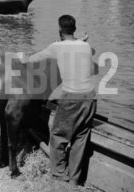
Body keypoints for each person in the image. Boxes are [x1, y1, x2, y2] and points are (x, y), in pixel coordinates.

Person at [22, 15, 98, 186]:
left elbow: (34, 58)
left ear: (59, 30)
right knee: (80, 139)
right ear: (75, 28)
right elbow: (75, 45)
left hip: (71, 99)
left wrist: (22, 58)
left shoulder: (56, 47)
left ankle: (59, 178)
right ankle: (74, 180)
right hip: (91, 99)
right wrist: (82, 39)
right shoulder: (85, 45)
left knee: (58, 136)